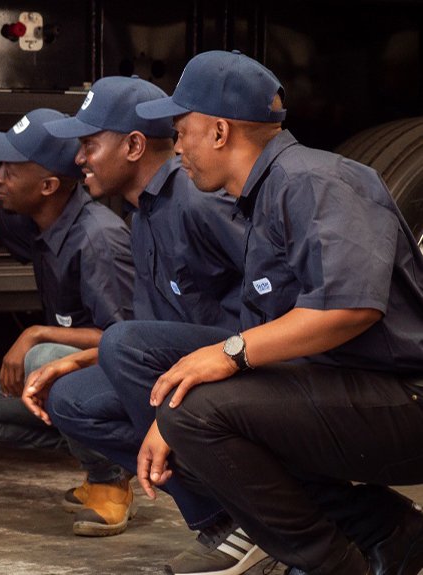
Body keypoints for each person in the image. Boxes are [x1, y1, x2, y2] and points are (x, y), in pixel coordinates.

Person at [104, 49, 423, 575]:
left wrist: (228, 355)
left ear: (220, 132)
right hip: (343, 385)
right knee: (142, 357)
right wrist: (171, 414)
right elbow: (273, 335)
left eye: (182, 130)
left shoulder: (316, 181)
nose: (177, 146)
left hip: (405, 397)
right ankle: (386, 531)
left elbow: (350, 308)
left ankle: (329, 564)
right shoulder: (263, 196)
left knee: (196, 412)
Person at [22, 75, 260, 575]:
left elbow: (277, 283)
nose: (79, 159)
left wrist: (244, 359)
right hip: (185, 364)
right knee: (72, 398)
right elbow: (155, 324)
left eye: (89, 144)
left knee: (123, 344)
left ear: (132, 145)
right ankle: (228, 516)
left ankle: (245, 516)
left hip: (242, 365)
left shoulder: (196, 200)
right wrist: (78, 359)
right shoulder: (144, 213)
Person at [0, 81, 137, 535]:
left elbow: (123, 344)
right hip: (74, 383)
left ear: (48, 185)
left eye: (10, 170)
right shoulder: (42, 218)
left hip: (112, 382)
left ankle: (110, 480)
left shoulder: (99, 238)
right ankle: (94, 443)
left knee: (42, 357)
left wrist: (35, 333)